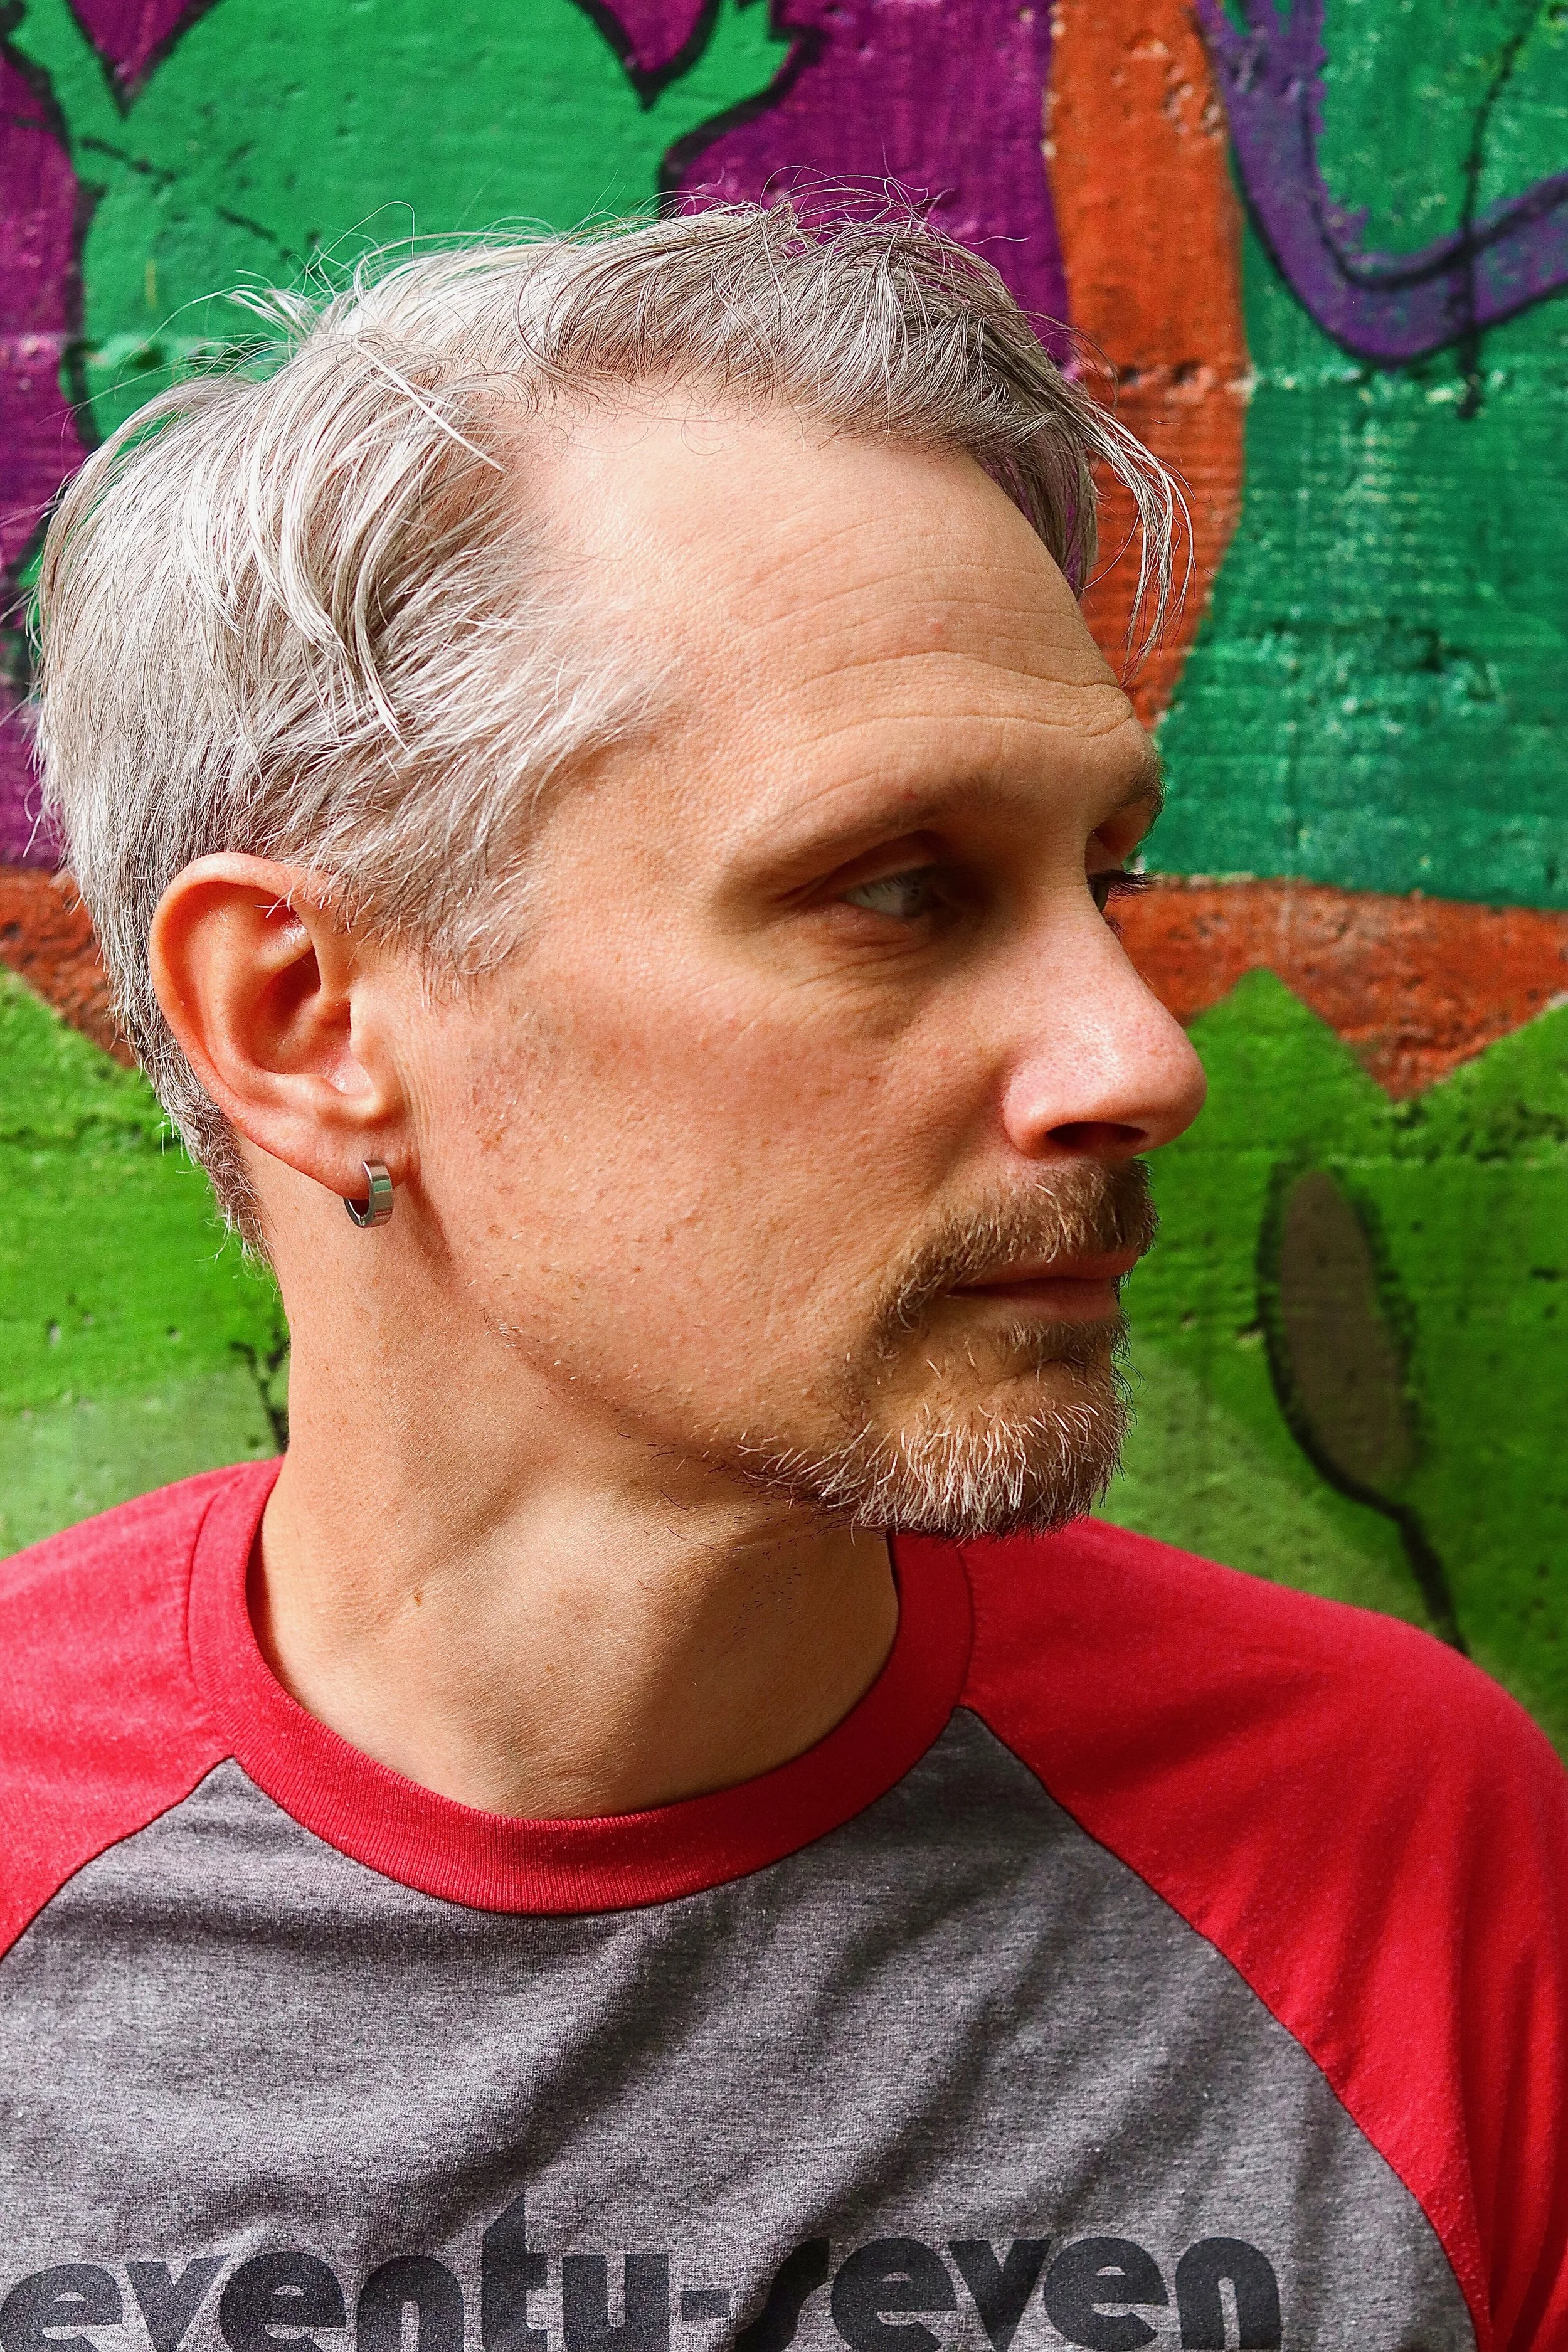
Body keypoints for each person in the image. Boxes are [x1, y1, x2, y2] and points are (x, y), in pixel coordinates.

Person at [4, 207, 1564, 2351]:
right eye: (898, 889)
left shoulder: (1396, 1847)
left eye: (1100, 877)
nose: (1139, 1057)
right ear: (304, 1016)